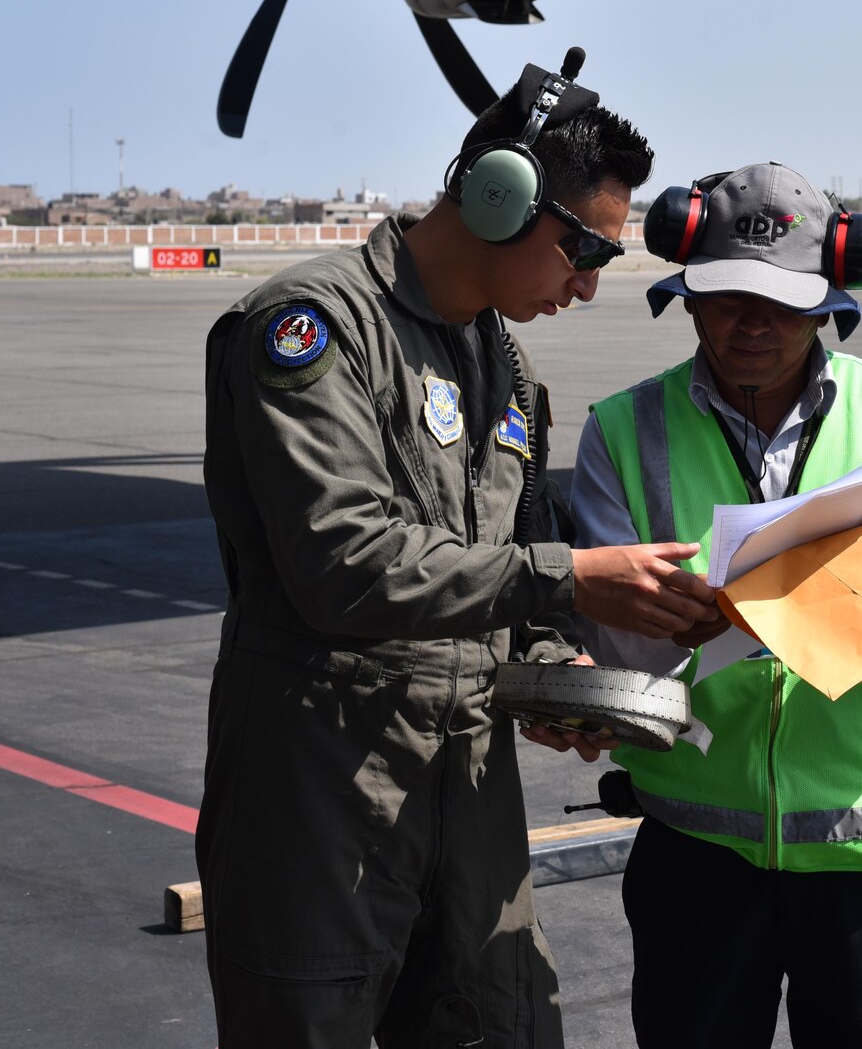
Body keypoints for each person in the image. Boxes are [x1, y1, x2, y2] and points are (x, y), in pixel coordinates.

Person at [196, 54, 719, 1049]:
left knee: (504, 1025)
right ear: (499, 201)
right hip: (324, 790)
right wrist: (578, 578)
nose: (588, 285)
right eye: (587, 254)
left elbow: (520, 553)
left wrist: (558, 670)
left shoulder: (500, 359)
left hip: (467, 789)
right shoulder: (312, 329)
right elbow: (343, 565)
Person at [569, 162, 862, 1049]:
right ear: (689, 299)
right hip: (695, 848)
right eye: (729, 297)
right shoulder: (624, 429)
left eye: (782, 303)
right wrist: (668, 626)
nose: (752, 324)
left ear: (828, 305)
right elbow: (614, 645)